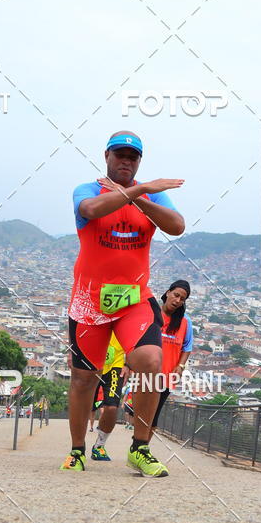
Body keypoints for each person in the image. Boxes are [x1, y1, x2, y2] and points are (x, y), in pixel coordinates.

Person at [60, 130, 185, 476]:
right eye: (120, 155)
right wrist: (139, 190)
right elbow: (90, 209)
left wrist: (141, 196)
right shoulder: (87, 189)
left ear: (139, 161)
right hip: (90, 301)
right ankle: (77, 450)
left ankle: (140, 447)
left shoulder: (150, 195)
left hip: (134, 300)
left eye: (133, 157)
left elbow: (176, 226)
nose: (126, 162)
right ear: (107, 156)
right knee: (84, 378)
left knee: (150, 360)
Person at [147, 280, 193, 441]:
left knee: (154, 414)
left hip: (168, 375)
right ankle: (138, 445)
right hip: (147, 373)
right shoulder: (152, 314)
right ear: (168, 293)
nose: (178, 300)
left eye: (182, 299)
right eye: (176, 295)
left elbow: (187, 347)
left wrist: (180, 367)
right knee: (144, 412)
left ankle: (142, 447)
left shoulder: (185, 322)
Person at [90, 331, 127, 461]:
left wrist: (128, 364)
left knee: (112, 407)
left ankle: (99, 445)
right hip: (91, 363)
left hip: (115, 365)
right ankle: (77, 448)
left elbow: (135, 340)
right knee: (85, 407)